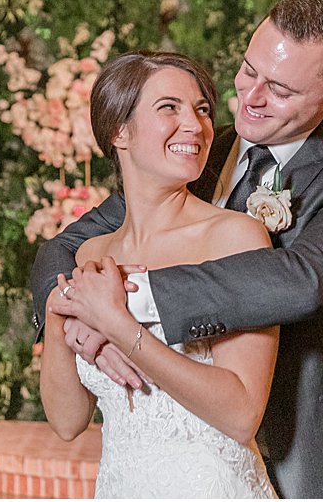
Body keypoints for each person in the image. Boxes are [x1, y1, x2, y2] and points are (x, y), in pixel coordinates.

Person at [33, 0, 323, 499]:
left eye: (280, 90)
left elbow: (302, 279)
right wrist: (67, 308)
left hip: (314, 450)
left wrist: (120, 308)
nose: (250, 97)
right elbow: (63, 250)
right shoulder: (197, 150)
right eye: (248, 70)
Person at [39, 51, 278, 498]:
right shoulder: (92, 254)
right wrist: (57, 321)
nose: (195, 125)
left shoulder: (236, 237)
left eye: (202, 109)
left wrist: (119, 325)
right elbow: (67, 422)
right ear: (119, 132)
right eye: (169, 107)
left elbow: (242, 414)